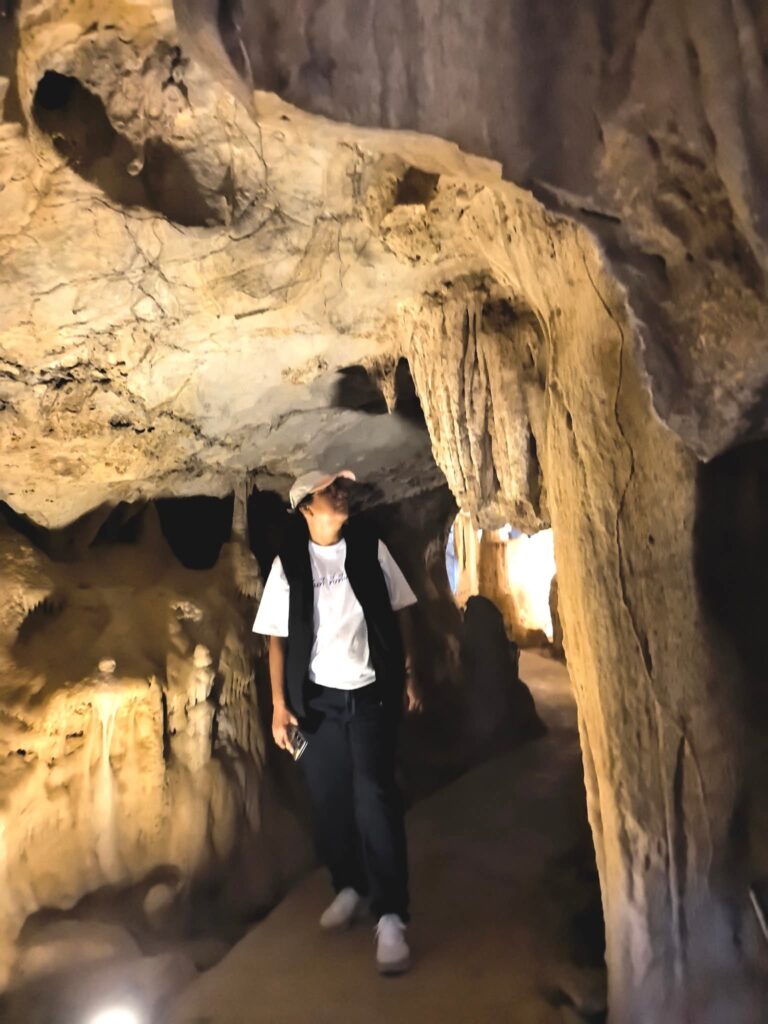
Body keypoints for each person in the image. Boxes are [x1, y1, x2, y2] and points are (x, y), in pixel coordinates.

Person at [252, 468, 421, 974]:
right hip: (316, 705)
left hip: (369, 695)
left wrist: (408, 671)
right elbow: (276, 637)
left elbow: (402, 607)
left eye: (340, 487)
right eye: (328, 490)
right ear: (306, 507)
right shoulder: (289, 564)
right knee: (328, 799)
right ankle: (350, 885)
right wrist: (279, 704)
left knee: (374, 795)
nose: (340, 494)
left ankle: (390, 914)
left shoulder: (370, 548)